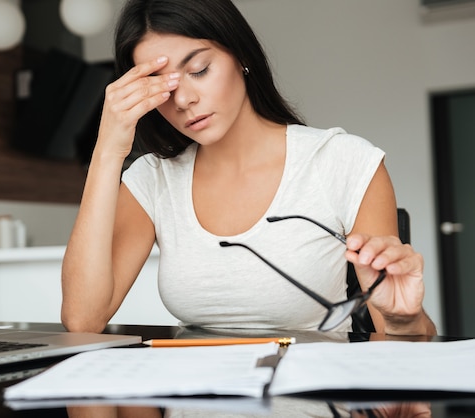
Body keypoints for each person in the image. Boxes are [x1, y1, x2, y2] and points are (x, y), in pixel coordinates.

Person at [61, 0, 436, 337]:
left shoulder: (343, 161)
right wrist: (107, 149)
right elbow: (83, 320)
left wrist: (404, 319)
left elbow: (394, 334)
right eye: (162, 88)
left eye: (199, 69)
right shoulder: (152, 180)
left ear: (241, 56)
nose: (185, 100)